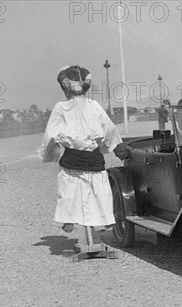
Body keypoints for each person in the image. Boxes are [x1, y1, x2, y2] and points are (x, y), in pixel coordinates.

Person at [40, 64, 123, 237]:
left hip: (73, 158)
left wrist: (49, 155)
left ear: (65, 88)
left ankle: (69, 219)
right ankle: (100, 220)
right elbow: (109, 130)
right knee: (98, 191)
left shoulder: (61, 107)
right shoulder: (95, 106)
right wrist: (113, 147)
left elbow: (50, 135)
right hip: (93, 156)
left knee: (69, 190)